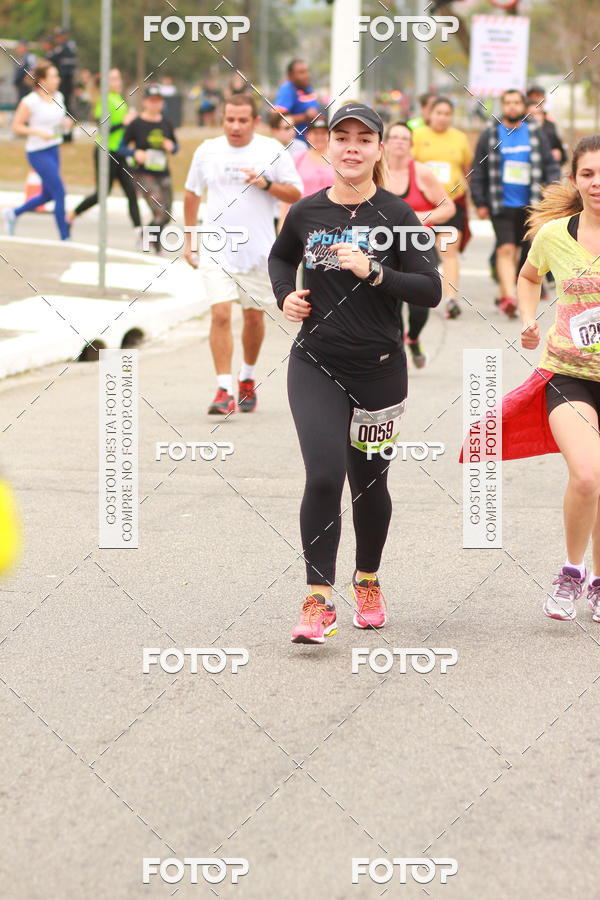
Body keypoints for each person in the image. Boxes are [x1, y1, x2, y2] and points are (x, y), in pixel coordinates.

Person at [268, 103, 442, 644]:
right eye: (340, 137)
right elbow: (279, 259)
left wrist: (375, 272)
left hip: (380, 371)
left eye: (363, 139)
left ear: (378, 148)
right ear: (327, 145)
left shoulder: (398, 216)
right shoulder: (305, 212)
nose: (350, 147)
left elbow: (430, 290)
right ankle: (318, 599)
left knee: (369, 484)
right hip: (315, 362)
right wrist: (286, 297)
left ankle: (367, 580)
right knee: (324, 475)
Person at [461, 135, 600, 623]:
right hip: (568, 372)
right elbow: (527, 276)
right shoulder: (555, 235)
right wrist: (527, 318)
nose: (597, 182)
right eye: (588, 174)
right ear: (575, 179)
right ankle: (571, 572)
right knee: (586, 475)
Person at [183, 94, 302, 415]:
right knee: (220, 314)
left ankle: (246, 377)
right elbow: (192, 193)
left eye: (242, 120)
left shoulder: (270, 151)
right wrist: (190, 237)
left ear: (255, 122)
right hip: (217, 249)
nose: (235, 126)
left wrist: (265, 184)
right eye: (229, 119)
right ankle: (223, 389)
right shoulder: (207, 151)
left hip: (259, 251)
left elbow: (295, 192)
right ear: (222, 119)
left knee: (253, 317)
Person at [470, 89, 561, 319]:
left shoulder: (535, 133)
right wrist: (479, 201)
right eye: (507, 103)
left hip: (531, 204)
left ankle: (512, 292)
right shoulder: (491, 133)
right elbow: (477, 170)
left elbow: (550, 165)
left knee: (527, 252)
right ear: (503, 106)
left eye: (516, 102)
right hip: (500, 202)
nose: (511, 106)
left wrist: (552, 189)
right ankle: (509, 298)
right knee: (505, 248)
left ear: (522, 106)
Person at [384, 120, 455, 367]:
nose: (399, 142)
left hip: (418, 245)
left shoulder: (421, 173)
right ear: (384, 143)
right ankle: (397, 350)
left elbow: (448, 207)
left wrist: (421, 217)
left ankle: (413, 337)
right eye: (395, 137)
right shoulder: (375, 172)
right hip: (385, 247)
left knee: (418, 306)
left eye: (405, 138)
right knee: (389, 301)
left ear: (411, 145)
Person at [412, 97, 473, 319]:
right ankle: (415, 294)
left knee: (449, 249)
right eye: (439, 113)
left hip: (451, 201)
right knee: (420, 251)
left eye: (447, 113)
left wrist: (471, 195)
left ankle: (450, 299)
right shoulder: (418, 136)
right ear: (430, 114)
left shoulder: (459, 138)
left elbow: (467, 168)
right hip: (423, 203)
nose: (443, 117)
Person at [67, 69, 141, 240]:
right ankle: (72, 214)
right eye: (114, 79)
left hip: (120, 152)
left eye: (118, 78)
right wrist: (124, 122)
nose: (118, 81)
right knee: (102, 193)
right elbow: (103, 128)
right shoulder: (104, 100)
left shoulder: (119, 99)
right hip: (105, 152)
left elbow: (124, 129)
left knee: (131, 191)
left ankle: (139, 232)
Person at [4, 60, 71, 240]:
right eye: (53, 76)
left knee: (47, 195)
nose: (58, 79)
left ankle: (13, 213)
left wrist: (65, 124)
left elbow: (59, 120)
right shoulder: (30, 101)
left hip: (54, 149)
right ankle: (65, 236)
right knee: (59, 192)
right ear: (42, 80)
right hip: (38, 152)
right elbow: (16, 127)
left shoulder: (59, 97)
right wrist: (37, 131)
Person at [123, 84, 178, 252]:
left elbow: (176, 147)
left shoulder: (166, 123)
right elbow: (121, 147)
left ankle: (154, 240)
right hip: (143, 174)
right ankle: (148, 237)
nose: (155, 104)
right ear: (144, 102)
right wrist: (134, 152)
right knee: (159, 211)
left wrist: (171, 146)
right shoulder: (136, 124)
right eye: (152, 101)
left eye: (158, 101)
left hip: (162, 172)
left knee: (167, 214)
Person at [274, 59, 321, 145]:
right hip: (293, 145)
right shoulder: (287, 89)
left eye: (307, 71)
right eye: (301, 72)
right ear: (290, 75)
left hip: (310, 145)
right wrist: (305, 116)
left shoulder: (308, 88)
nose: (307, 75)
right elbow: (277, 118)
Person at [49, 27, 77, 138]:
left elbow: (53, 56)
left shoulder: (65, 46)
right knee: (64, 105)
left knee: (64, 106)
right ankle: (66, 133)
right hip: (66, 80)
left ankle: (67, 134)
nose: (58, 39)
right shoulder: (67, 46)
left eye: (59, 36)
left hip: (65, 80)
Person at [526, 101, 567, 166]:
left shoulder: (550, 129)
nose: (535, 117)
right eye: (531, 115)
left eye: (538, 113)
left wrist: (558, 155)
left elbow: (562, 154)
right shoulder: (522, 133)